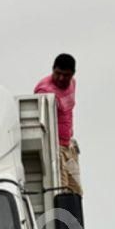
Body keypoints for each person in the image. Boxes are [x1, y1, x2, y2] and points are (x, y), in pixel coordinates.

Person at [34, 53, 80, 191]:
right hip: (56, 147)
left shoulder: (72, 83)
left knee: (76, 190)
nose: (61, 78)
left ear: (72, 74)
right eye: (57, 73)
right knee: (62, 190)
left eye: (65, 75)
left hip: (68, 146)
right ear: (52, 70)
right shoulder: (45, 91)